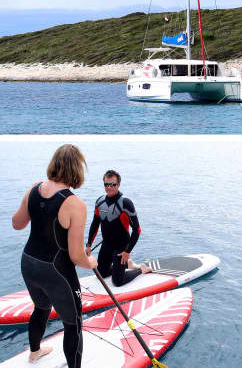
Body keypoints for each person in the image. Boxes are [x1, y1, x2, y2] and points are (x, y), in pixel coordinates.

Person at [12, 144, 97, 367]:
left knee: (41, 307)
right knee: (73, 323)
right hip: (55, 271)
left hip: (29, 263)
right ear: (76, 169)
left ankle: (35, 352)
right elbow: (77, 256)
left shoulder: (33, 188)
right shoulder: (75, 204)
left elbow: (17, 224)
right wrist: (91, 262)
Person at [85, 169, 150, 287]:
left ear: (118, 185)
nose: (109, 187)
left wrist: (127, 252)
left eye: (113, 184)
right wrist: (89, 245)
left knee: (117, 282)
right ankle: (126, 265)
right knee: (101, 274)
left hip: (121, 246)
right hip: (107, 244)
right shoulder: (100, 202)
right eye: (106, 184)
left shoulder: (126, 203)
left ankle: (141, 269)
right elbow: (95, 224)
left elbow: (137, 230)